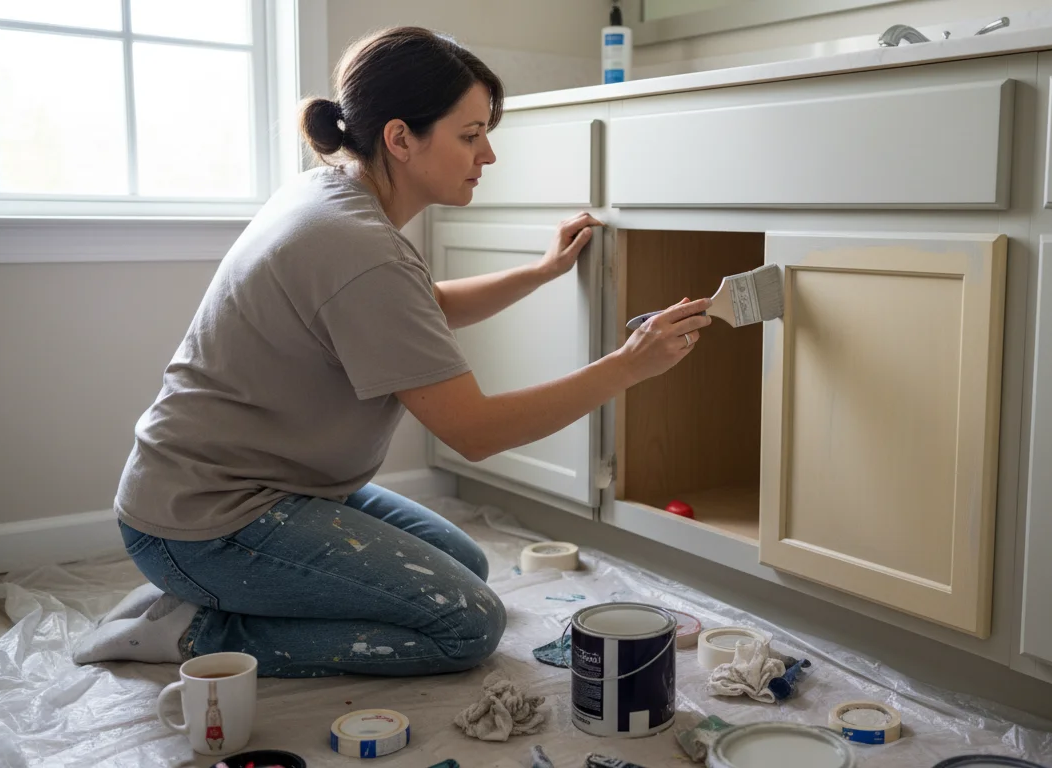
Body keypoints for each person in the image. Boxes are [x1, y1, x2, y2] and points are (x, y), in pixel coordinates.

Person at [72, 27, 711, 679]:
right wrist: (631, 363)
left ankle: (203, 591)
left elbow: (416, 305)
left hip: (256, 491)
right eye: (469, 135)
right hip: (208, 520)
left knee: (465, 567)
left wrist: (540, 272)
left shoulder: (330, 198)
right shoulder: (361, 249)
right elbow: (476, 431)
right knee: (465, 623)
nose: (487, 154)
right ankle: (198, 627)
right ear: (401, 138)